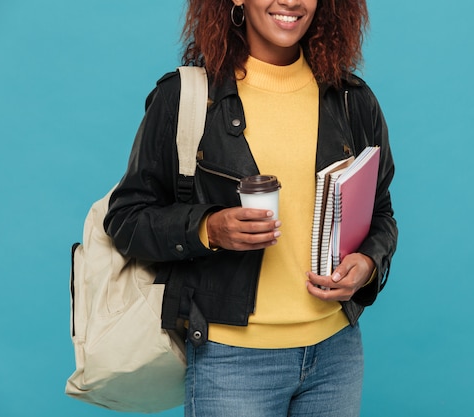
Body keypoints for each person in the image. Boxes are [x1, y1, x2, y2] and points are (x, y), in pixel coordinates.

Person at [104, 0, 398, 415]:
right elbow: (126, 219)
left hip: (336, 355)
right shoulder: (186, 98)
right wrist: (209, 228)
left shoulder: (352, 100)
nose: (292, 2)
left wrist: (368, 262)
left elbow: (381, 212)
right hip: (232, 361)